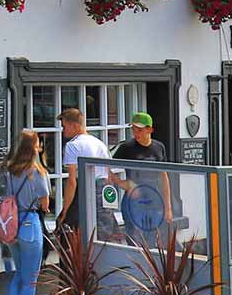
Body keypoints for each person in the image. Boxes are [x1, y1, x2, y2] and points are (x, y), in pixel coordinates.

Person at [0, 129, 51, 295]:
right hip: (29, 223)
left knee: (18, 274)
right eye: (37, 144)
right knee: (30, 278)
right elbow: (45, 204)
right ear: (31, 148)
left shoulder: (8, 169)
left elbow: (3, 195)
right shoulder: (36, 172)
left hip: (10, 224)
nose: (40, 148)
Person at [109, 112, 172, 250]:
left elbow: (164, 175)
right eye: (133, 129)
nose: (135, 133)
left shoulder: (159, 147)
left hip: (155, 198)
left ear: (150, 130)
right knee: (134, 239)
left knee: (153, 238)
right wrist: (123, 184)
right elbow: (106, 166)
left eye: (139, 130)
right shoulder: (126, 147)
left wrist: (168, 207)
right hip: (134, 199)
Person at [58, 107, 109, 234]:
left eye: (65, 126)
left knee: (74, 233)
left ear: (75, 126)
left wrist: (65, 210)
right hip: (102, 190)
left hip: (83, 191)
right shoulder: (100, 143)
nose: (63, 130)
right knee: (102, 233)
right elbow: (108, 174)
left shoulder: (72, 145)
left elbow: (72, 181)